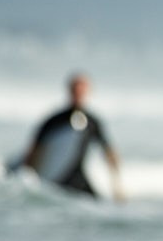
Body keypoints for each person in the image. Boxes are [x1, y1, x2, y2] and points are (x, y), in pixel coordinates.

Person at [11, 73, 124, 201]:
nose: (78, 94)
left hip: (78, 176)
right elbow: (35, 148)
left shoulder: (92, 122)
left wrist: (117, 185)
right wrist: (28, 177)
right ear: (69, 91)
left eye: (81, 91)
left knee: (97, 204)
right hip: (57, 178)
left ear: (87, 92)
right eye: (75, 90)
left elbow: (108, 151)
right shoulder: (55, 121)